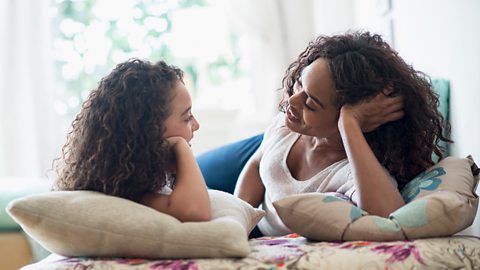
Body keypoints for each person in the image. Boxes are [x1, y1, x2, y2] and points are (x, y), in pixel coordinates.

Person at [234, 31, 451, 236]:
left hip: (266, 226)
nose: (291, 100)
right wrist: (235, 222)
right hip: (249, 166)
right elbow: (255, 164)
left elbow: (390, 218)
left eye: (310, 103)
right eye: (299, 83)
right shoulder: (285, 121)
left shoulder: (348, 172)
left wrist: (349, 123)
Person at [53, 58, 211, 222]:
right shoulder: (128, 195)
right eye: (186, 118)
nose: (196, 125)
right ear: (150, 129)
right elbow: (195, 211)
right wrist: (180, 146)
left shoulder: (139, 183)